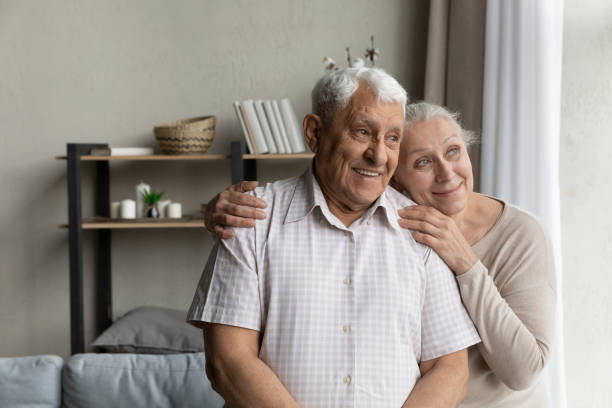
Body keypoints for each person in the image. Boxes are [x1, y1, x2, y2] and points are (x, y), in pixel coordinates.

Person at [206, 101, 557, 407]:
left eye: (453, 152)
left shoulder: (521, 233)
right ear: (393, 179)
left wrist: (464, 261)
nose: (447, 173)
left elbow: (523, 371)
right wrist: (218, 211)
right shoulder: (399, 226)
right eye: (422, 162)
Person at [188, 68, 480, 408]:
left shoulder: (423, 231)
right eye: (362, 132)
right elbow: (228, 363)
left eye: (392, 138)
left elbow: (449, 369)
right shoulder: (249, 220)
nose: (379, 155)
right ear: (314, 132)